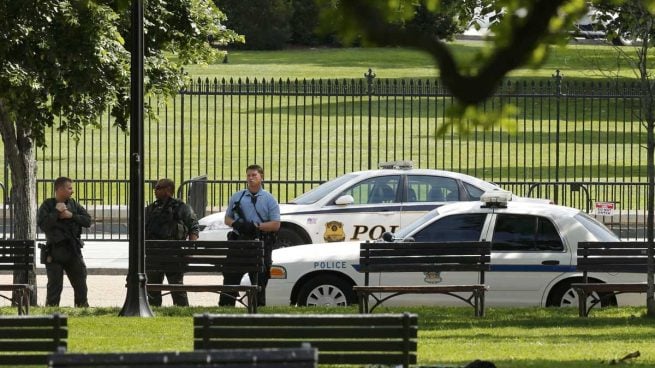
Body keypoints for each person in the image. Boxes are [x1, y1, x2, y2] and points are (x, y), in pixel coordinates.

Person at [219, 164, 280, 307]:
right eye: (248, 176)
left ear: (261, 177)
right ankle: (226, 307)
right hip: (239, 244)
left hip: (260, 243)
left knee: (259, 280)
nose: (251, 178)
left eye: (254, 175)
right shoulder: (237, 197)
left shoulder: (269, 199)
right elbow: (227, 219)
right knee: (230, 277)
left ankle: (257, 309)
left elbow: (276, 224)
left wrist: (256, 226)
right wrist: (237, 224)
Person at [37, 176, 92, 307]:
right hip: (55, 252)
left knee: (81, 285)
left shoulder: (73, 204)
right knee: (54, 288)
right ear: (60, 189)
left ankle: (82, 309)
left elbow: (88, 221)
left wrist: (71, 215)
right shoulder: (47, 205)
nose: (72, 191)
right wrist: (56, 212)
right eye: (69, 188)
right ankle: (51, 312)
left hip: (73, 251)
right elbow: (44, 225)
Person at [145, 178, 200, 306]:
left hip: (174, 254)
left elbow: (194, 228)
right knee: (152, 288)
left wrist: (190, 250)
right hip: (154, 254)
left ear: (168, 190)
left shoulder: (182, 208)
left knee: (177, 288)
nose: (155, 190)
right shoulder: (151, 209)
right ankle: (153, 310)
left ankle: (182, 310)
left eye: (158, 188)